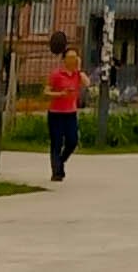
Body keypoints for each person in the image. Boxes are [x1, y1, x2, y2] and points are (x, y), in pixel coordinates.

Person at [46, 45, 86, 183]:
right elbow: (46, 91)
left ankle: (61, 161)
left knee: (72, 141)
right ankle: (56, 172)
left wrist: (79, 70)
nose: (72, 60)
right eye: (70, 57)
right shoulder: (56, 74)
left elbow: (87, 83)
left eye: (75, 58)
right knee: (56, 142)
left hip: (70, 112)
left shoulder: (77, 75)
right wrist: (60, 94)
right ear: (64, 59)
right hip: (56, 113)